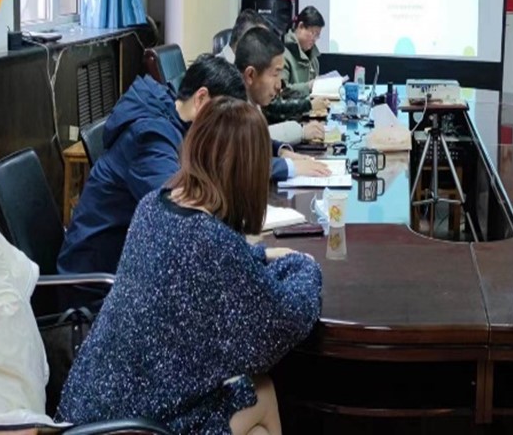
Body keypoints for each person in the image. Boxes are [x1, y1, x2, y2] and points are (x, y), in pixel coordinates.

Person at [58, 98, 322, 434]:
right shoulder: (211, 242)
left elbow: (203, 261)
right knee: (262, 392)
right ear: (250, 172)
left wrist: (260, 255)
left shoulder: (153, 204)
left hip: (86, 412)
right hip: (134, 425)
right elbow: (285, 319)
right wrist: (305, 265)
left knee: (255, 422)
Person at [58, 54, 247, 275]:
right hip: (95, 279)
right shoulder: (149, 136)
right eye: (225, 120)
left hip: (133, 266)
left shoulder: (173, 116)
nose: (226, 133)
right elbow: (180, 217)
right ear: (201, 98)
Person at [234, 27, 329, 169]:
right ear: (250, 75)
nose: (279, 85)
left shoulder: (252, 99)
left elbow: (260, 140)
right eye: (275, 74)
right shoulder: (231, 111)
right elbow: (246, 163)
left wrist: (282, 152)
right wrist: (291, 167)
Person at [282, 5, 325, 99]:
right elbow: (282, 90)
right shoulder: (283, 54)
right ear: (301, 26)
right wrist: (309, 86)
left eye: (317, 35)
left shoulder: (314, 59)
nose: (314, 39)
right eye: (313, 33)